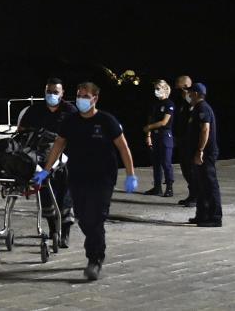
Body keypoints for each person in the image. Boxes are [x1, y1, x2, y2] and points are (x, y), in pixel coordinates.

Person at [33, 82, 137, 281]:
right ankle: (96, 246)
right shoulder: (71, 121)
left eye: (85, 96)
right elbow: (58, 145)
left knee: (96, 218)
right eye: (79, 95)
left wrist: (131, 174)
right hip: (79, 176)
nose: (81, 99)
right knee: (83, 217)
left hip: (103, 178)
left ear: (95, 99)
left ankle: (94, 259)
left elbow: (123, 147)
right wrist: (46, 170)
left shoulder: (107, 121)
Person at [17, 77, 78, 248]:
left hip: (64, 158)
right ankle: (53, 229)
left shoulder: (70, 111)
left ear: (62, 93)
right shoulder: (35, 111)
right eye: (49, 92)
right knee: (45, 194)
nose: (51, 95)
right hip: (40, 159)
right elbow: (21, 131)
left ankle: (65, 232)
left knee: (65, 195)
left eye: (55, 92)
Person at [185, 83, 222, 227]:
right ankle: (202, 215)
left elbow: (205, 129)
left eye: (189, 92)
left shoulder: (202, 107)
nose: (188, 95)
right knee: (200, 184)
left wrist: (200, 150)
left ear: (195, 93)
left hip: (205, 153)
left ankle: (215, 217)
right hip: (199, 152)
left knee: (210, 184)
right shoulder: (196, 108)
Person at [142, 79, 175, 197]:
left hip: (165, 135)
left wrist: (149, 127)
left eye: (158, 88)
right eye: (155, 89)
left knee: (166, 162)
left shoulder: (169, 104)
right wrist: (148, 135)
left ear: (165, 89)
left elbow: (164, 122)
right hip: (155, 136)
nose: (156, 91)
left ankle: (169, 188)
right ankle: (157, 187)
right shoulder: (155, 104)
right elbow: (150, 119)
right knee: (156, 163)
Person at [174, 75, 196, 207]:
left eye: (178, 84)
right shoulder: (182, 102)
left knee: (191, 169)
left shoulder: (190, 101)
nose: (176, 86)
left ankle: (196, 196)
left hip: (190, 142)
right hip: (182, 140)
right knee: (185, 169)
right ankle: (192, 194)